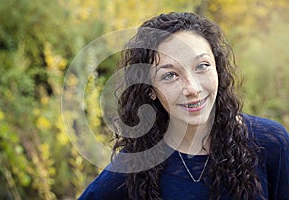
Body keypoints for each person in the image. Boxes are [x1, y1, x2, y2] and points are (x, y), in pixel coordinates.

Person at [79, 12, 289, 200]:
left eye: (202, 66)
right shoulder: (136, 164)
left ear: (217, 68)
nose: (192, 88)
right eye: (170, 75)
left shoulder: (270, 143)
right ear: (149, 89)